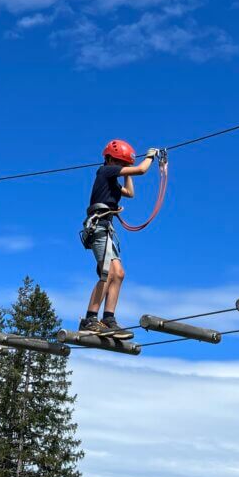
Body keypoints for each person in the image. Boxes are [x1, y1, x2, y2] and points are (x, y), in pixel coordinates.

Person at [79, 140, 160, 338]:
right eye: (118, 163)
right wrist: (149, 157)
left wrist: (127, 170)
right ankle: (90, 319)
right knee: (107, 273)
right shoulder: (104, 171)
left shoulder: (112, 182)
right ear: (108, 159)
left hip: (107, 228)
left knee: (119, 273)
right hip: (99, 227)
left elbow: (130, 193)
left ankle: (108, 318)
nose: (120, 167)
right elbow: (141, 171)